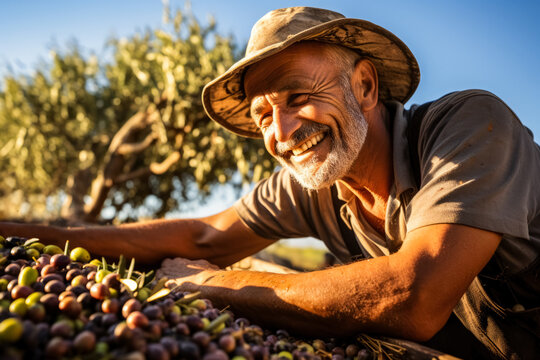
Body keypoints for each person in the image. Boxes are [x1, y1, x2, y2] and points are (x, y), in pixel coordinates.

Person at [1, 7, 539, 359]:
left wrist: (217, 286)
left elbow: (415, 295)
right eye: (263, 116)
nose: (281, 134)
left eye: (298, 96)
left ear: (366, 86)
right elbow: (201, 238)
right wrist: (15, 233)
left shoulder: (469, 126)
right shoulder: (315, 183)